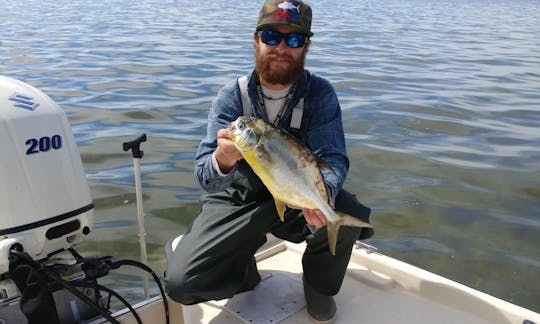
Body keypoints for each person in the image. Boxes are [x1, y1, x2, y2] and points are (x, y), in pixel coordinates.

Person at [166, 0, 373, 322]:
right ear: (256, 39)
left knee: (349, 215)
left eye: (293, 40)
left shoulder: (319, 93)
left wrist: (324, 194)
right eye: (271, 37)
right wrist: (222, 158)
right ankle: (243, 272)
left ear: (306, 46)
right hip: (239, 199)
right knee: (182, 284)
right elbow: (206, 177)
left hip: (298, 195)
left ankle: (319, 288)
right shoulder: (232, 97)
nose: (281, 47)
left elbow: (333, 157)